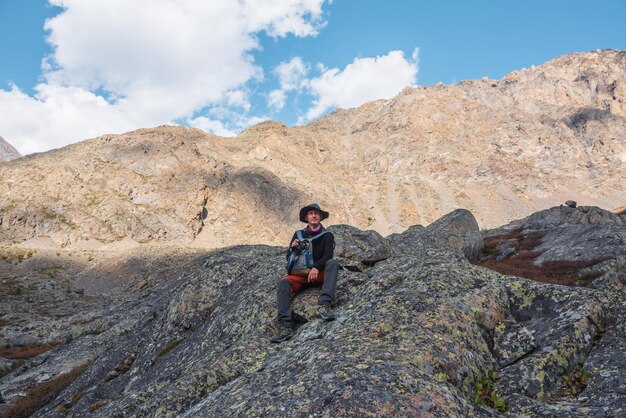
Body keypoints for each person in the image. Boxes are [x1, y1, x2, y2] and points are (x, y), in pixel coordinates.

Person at [270, 203, 339, 343]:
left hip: (318, 274)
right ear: (306, 218)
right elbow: (290, 258)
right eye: (310, 214)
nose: (313, 216)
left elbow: (328, 256)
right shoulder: (298, 234)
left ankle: (324, 304)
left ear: (320, 217)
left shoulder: (327, 235)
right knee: (284, 283)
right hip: (301, 274)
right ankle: (285, 326)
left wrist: (316, 267)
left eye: (316, 213)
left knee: (333, 264)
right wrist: (293, 249)